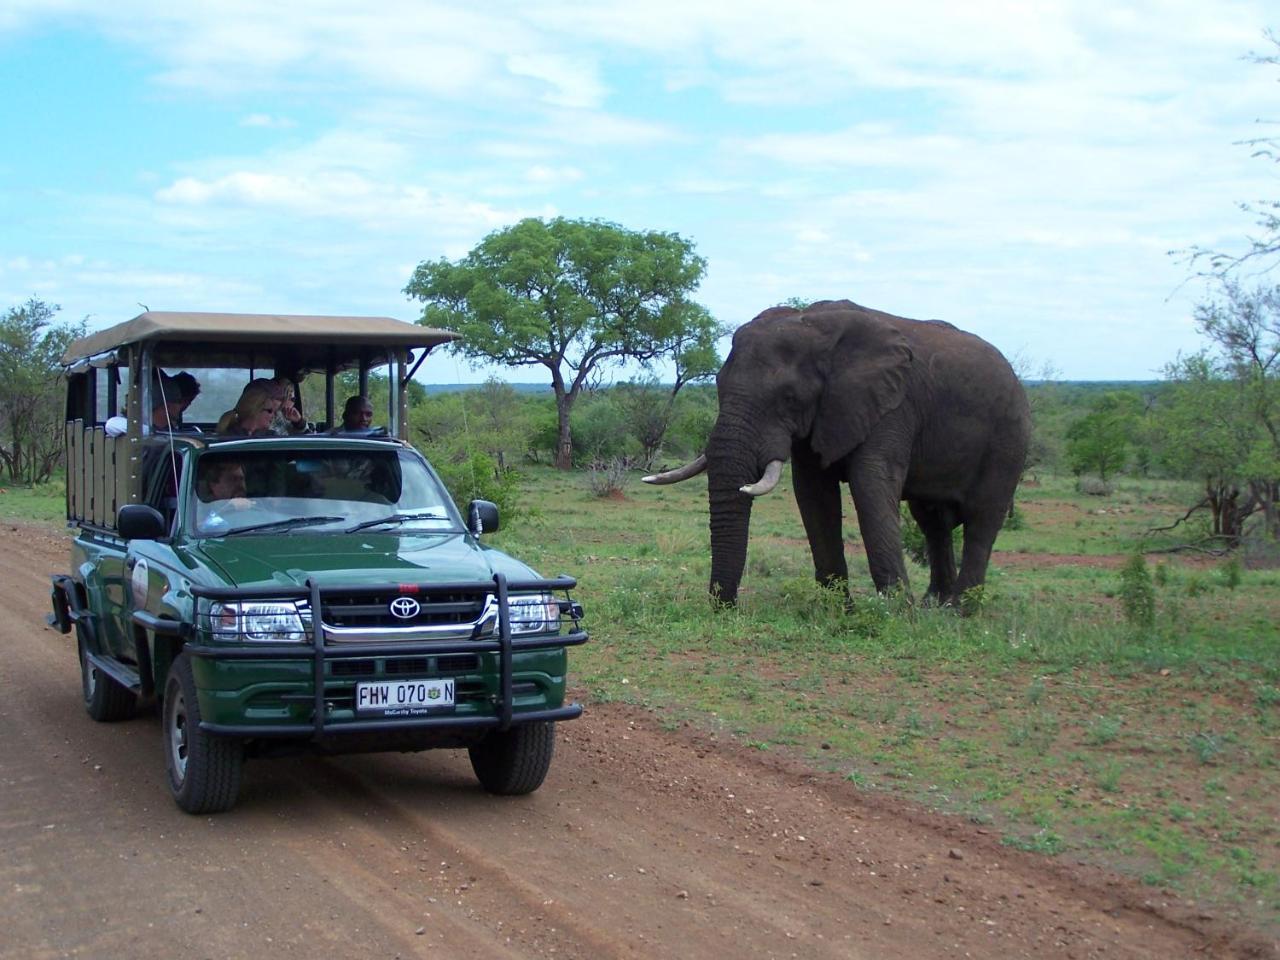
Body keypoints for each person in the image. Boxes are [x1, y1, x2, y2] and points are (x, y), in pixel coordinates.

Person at [215, 379, 281, 436]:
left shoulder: (272, 437)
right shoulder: (228, 437)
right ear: (255, 409)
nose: (274, 415)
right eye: (270, 411)